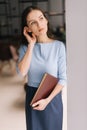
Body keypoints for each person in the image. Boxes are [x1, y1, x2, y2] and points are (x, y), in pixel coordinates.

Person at [16, 6, 67, 130]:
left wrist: (47, 100)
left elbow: (63, 79)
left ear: (46, 20)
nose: (39, 24)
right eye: (33, 22)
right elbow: (22, 72)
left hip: (52, 97)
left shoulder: (59, 46)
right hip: (33, 96)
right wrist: (31, 45)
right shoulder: (25, 48)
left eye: (41, 18)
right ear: (28, 29)